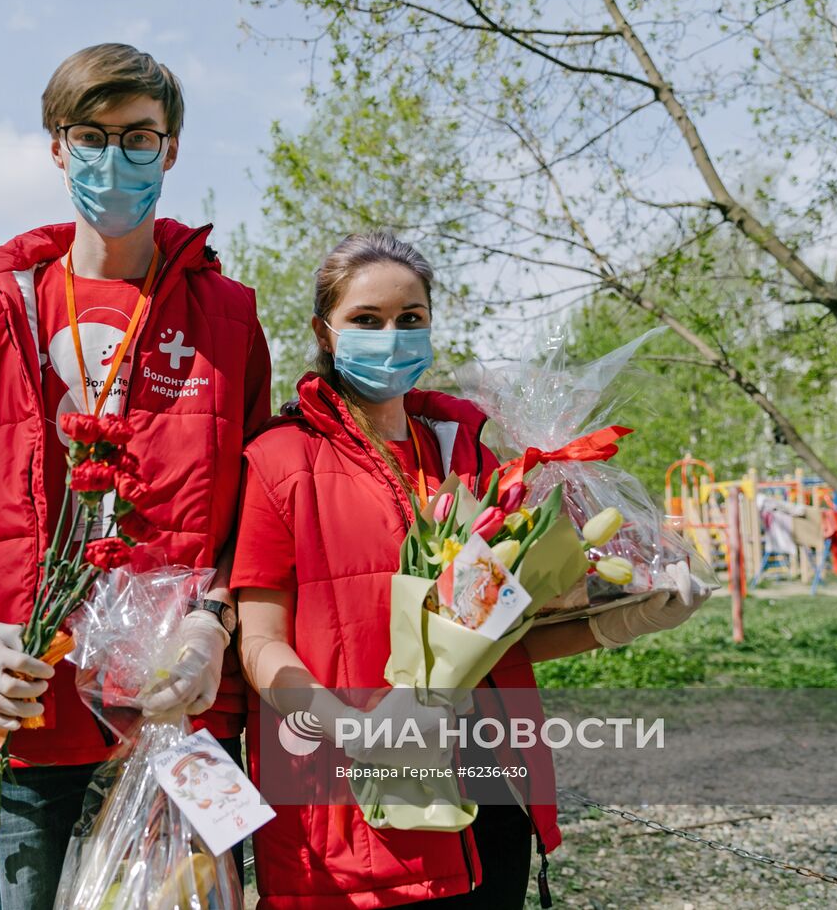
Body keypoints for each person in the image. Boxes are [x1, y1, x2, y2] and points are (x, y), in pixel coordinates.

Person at [232, 232, 709, 909]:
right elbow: (258, 640)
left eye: (410, 319)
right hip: (357, 809)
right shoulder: (281, 461)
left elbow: (502, 641)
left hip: (489, 793)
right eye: (366, 320)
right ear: (324, 330)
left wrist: (625, 618)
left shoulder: (472, 462)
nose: (390, 336)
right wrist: (348, 725)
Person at [0, 43, 270, 909]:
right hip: (22, 712)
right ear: (56, 147)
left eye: (139, 137)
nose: (116, 159)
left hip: (176, 713)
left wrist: (214, 626)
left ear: (171, 151)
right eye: (90, 135)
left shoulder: (226, 314)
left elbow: (259, 504)